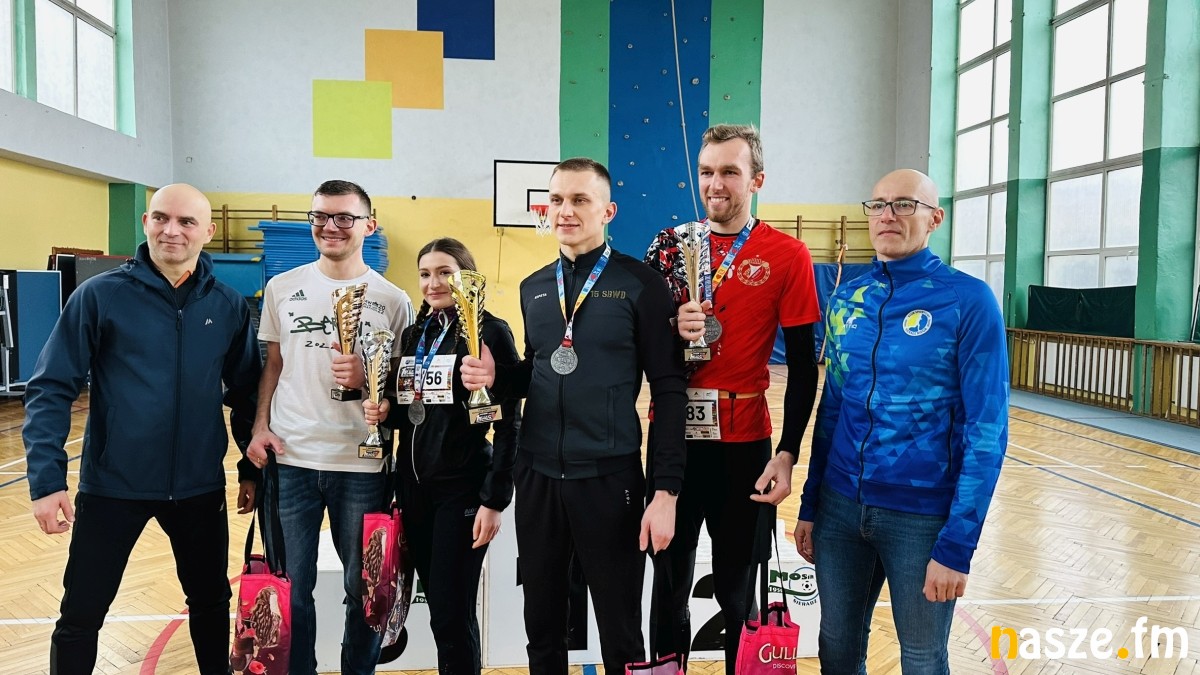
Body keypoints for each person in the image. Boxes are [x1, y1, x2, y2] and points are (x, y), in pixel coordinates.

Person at [460, 157, 687, 675]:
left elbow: (669, 389)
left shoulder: (641, 284)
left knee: (620, 631)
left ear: (607, 211)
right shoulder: (534, 286)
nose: (565, 210)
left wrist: (666, 491)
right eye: (557, 199)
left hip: (609, 479)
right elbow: (537, 373)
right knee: (541, 628)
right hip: (537, 477)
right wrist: (498, 376)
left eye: (580, 199)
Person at [23, 183, 261, 675]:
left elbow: (246, 396)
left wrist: (251, 468)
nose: (172, 230)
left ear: (208, 231)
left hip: (198, 488)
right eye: (161, 218)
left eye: (186, 221)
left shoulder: (229, 306)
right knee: (81, 613)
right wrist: (46, 481)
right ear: (146, 222)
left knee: (211, 602)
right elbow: (50, 387)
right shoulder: (100, 295)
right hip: (112, 487)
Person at [794, 169, 1009, 674]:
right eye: (878, 205)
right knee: (836, 648)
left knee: (922, 659)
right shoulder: (848, 299)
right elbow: (833, 408)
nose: (888, 215)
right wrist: (811, 503)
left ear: (935, 218)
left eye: (904, 204)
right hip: (840, 511)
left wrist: (957, 545)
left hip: (922, 518)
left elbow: (987, 432)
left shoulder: (968, 301)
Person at [642, 123, 822, 672]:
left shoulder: (787, 255)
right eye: (706, 172)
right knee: (668, 584)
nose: (715, 184)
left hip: (744, 447)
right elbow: (639, 346)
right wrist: (670, 328)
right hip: (673, 441)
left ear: (756, 180)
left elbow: (803, 366)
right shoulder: (668, 248)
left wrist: (788, 452)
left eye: (729, 172)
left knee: (738, 590)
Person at [245, 179, 413, 675]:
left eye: (344, 217)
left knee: (365, 592)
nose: (330, 226)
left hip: (361, 465)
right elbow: (274, 366)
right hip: (291, 457)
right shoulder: (282, 288)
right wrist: (259, 426)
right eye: (319, 216)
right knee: (292, 590)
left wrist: (370, 387)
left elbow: (399, 385)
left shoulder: (393, 300)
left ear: (369, 225)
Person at [362, 237, 521, 675]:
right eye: (425, 274)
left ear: (466, 276)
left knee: (452, 613)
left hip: (462, 492)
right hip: (414, 492)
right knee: (439, 610)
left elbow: (510, 421)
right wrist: (386, 411)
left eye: (445, 273)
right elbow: (414, 413)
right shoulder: (417, 333)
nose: (434, 283)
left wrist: (494, 499)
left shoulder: (490, 331)